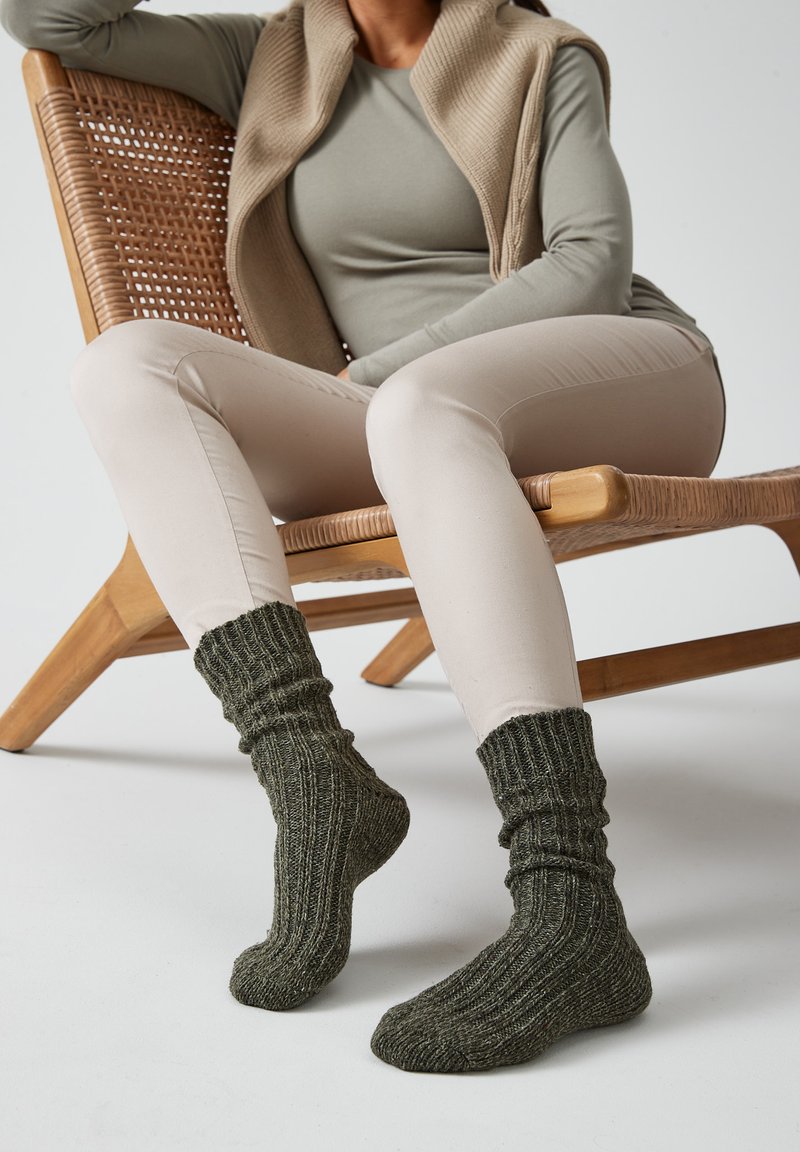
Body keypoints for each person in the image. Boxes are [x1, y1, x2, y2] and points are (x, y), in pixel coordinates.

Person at [1, 0, 727, 1074]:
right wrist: (376, 393)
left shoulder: (537, 57)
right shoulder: (268, 58)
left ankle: (570, 899)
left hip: (617, 370)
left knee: (423, 408)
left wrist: (378, 379)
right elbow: (47, 19)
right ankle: (315, 777)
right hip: (404, 418)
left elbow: (590, 263)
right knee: (127, 365)